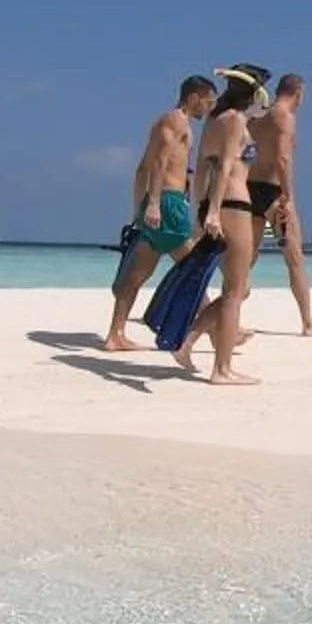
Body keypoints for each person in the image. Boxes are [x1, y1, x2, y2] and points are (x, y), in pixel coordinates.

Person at [173, 64, 273, 385]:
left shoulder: (217, 120)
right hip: (233, 205)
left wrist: (202, 210)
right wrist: (213, 211)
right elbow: (226, 167)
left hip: (220, 205)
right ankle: (222, 369)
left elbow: (204, 167)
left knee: (237, 288)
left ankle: (188, 343)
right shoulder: (234, 121)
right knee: (236, 290)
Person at [102, 75, 215, 352]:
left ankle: (115, 334)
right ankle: (221, 329)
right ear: (194, 97)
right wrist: (153, 204)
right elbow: (158, 163)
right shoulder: (176, 120)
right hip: (168, 204)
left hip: (161, 203)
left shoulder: (167, 121)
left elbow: (142, 167)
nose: (209, 108)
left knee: (138, 274)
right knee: (193, 268)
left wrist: (139, 208)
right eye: (208, 101)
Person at [247, 72, 312, 336]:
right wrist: (288, 198)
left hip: (249, 189)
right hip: (273, 193)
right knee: (294, 258)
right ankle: (308, 322)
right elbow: (282, 160)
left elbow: (246, 153)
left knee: (248, 258)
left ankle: (228, 317)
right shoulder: (285, 117)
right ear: (298, 93)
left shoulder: (257, 116)